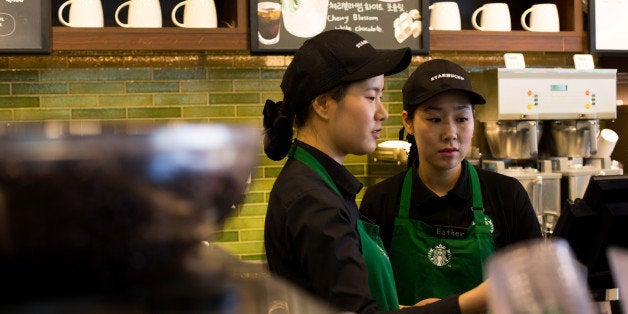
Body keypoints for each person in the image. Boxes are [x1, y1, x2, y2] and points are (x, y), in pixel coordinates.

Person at [262, 30, 488, 314]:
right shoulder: (314, 201)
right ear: (322, 103)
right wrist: (475, 300)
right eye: (371, 97)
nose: (383, 113)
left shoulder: (320, 184)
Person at [359, 59, 543, 306]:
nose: (450, 133)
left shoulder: (507, 195)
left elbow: (535, 287)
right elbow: (369, 294)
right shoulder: (381, 199)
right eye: (435, 119)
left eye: (462, 118)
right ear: (408, 121)